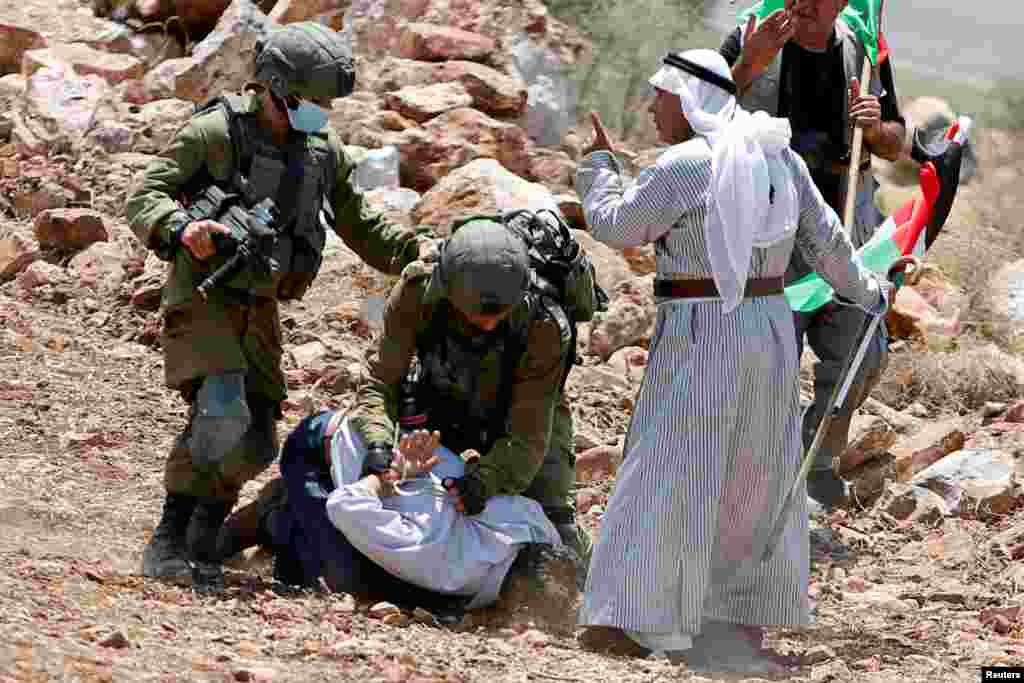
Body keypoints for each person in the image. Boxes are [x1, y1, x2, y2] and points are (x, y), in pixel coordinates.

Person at [573, 50, 895, 672]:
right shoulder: (779, 156)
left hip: (703, 329)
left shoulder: (685, 164)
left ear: (688, 99)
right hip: (770, 333)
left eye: (660, 97)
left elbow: (615, 226)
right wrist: (872, 293)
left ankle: (637, 616)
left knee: (671, 467)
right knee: (752, 471)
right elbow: (828, 246)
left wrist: (598, 168)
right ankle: (733, 613)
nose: (652, 107)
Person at [125, 21, 437, 591]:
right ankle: (167, 539)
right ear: (272, 86)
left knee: (258, 439)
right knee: (221, 413)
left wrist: (417, 250)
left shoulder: (322, 152)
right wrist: (182, 228)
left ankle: (203, 536)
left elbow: (360, 222)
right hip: (205, 297)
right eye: (310, 101)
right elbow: (145, 194)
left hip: (261, 309)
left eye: (326, 103)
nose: (320, 112)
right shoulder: (215, 132)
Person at [719, 0, 908, 507]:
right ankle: (750, 477)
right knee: (761, 356)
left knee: (860, 353)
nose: (804, 3)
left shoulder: (863, 49)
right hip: (766, 229)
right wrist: (748, 67)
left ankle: (815, 461)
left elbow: (895, 142)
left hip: (845, 226)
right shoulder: (755, 33)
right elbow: (696, 113)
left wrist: (875, 126)